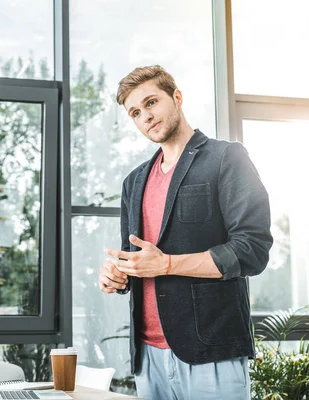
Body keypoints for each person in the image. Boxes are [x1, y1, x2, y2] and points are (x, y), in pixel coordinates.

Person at [99, 65, 273, 400]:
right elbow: (136, 259)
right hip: (147, 358)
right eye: (136, 112)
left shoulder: (227, 158)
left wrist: (167, 264)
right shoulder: (134, 182)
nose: (146, 116)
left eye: (151, 103)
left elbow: (252, 250)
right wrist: (118, 276)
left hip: (212, 351)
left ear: (176, 98)